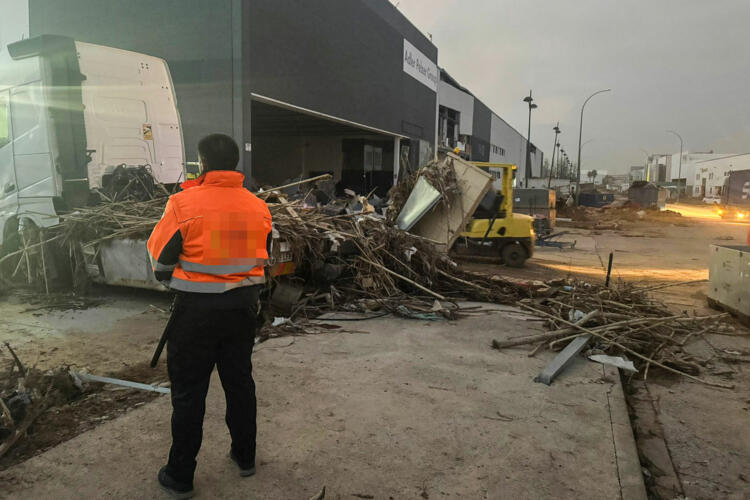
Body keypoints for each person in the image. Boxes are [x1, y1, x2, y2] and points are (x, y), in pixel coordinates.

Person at [147, 134, 272, 499]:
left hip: (194, 316)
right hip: (242, 313)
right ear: (234, 164)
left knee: (189, 394)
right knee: (240, 384)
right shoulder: (258, 207)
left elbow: (160, 264)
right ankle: (245, 457)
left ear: (202, 163)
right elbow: (262, 258)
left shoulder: (183, 204)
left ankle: (180, 476)